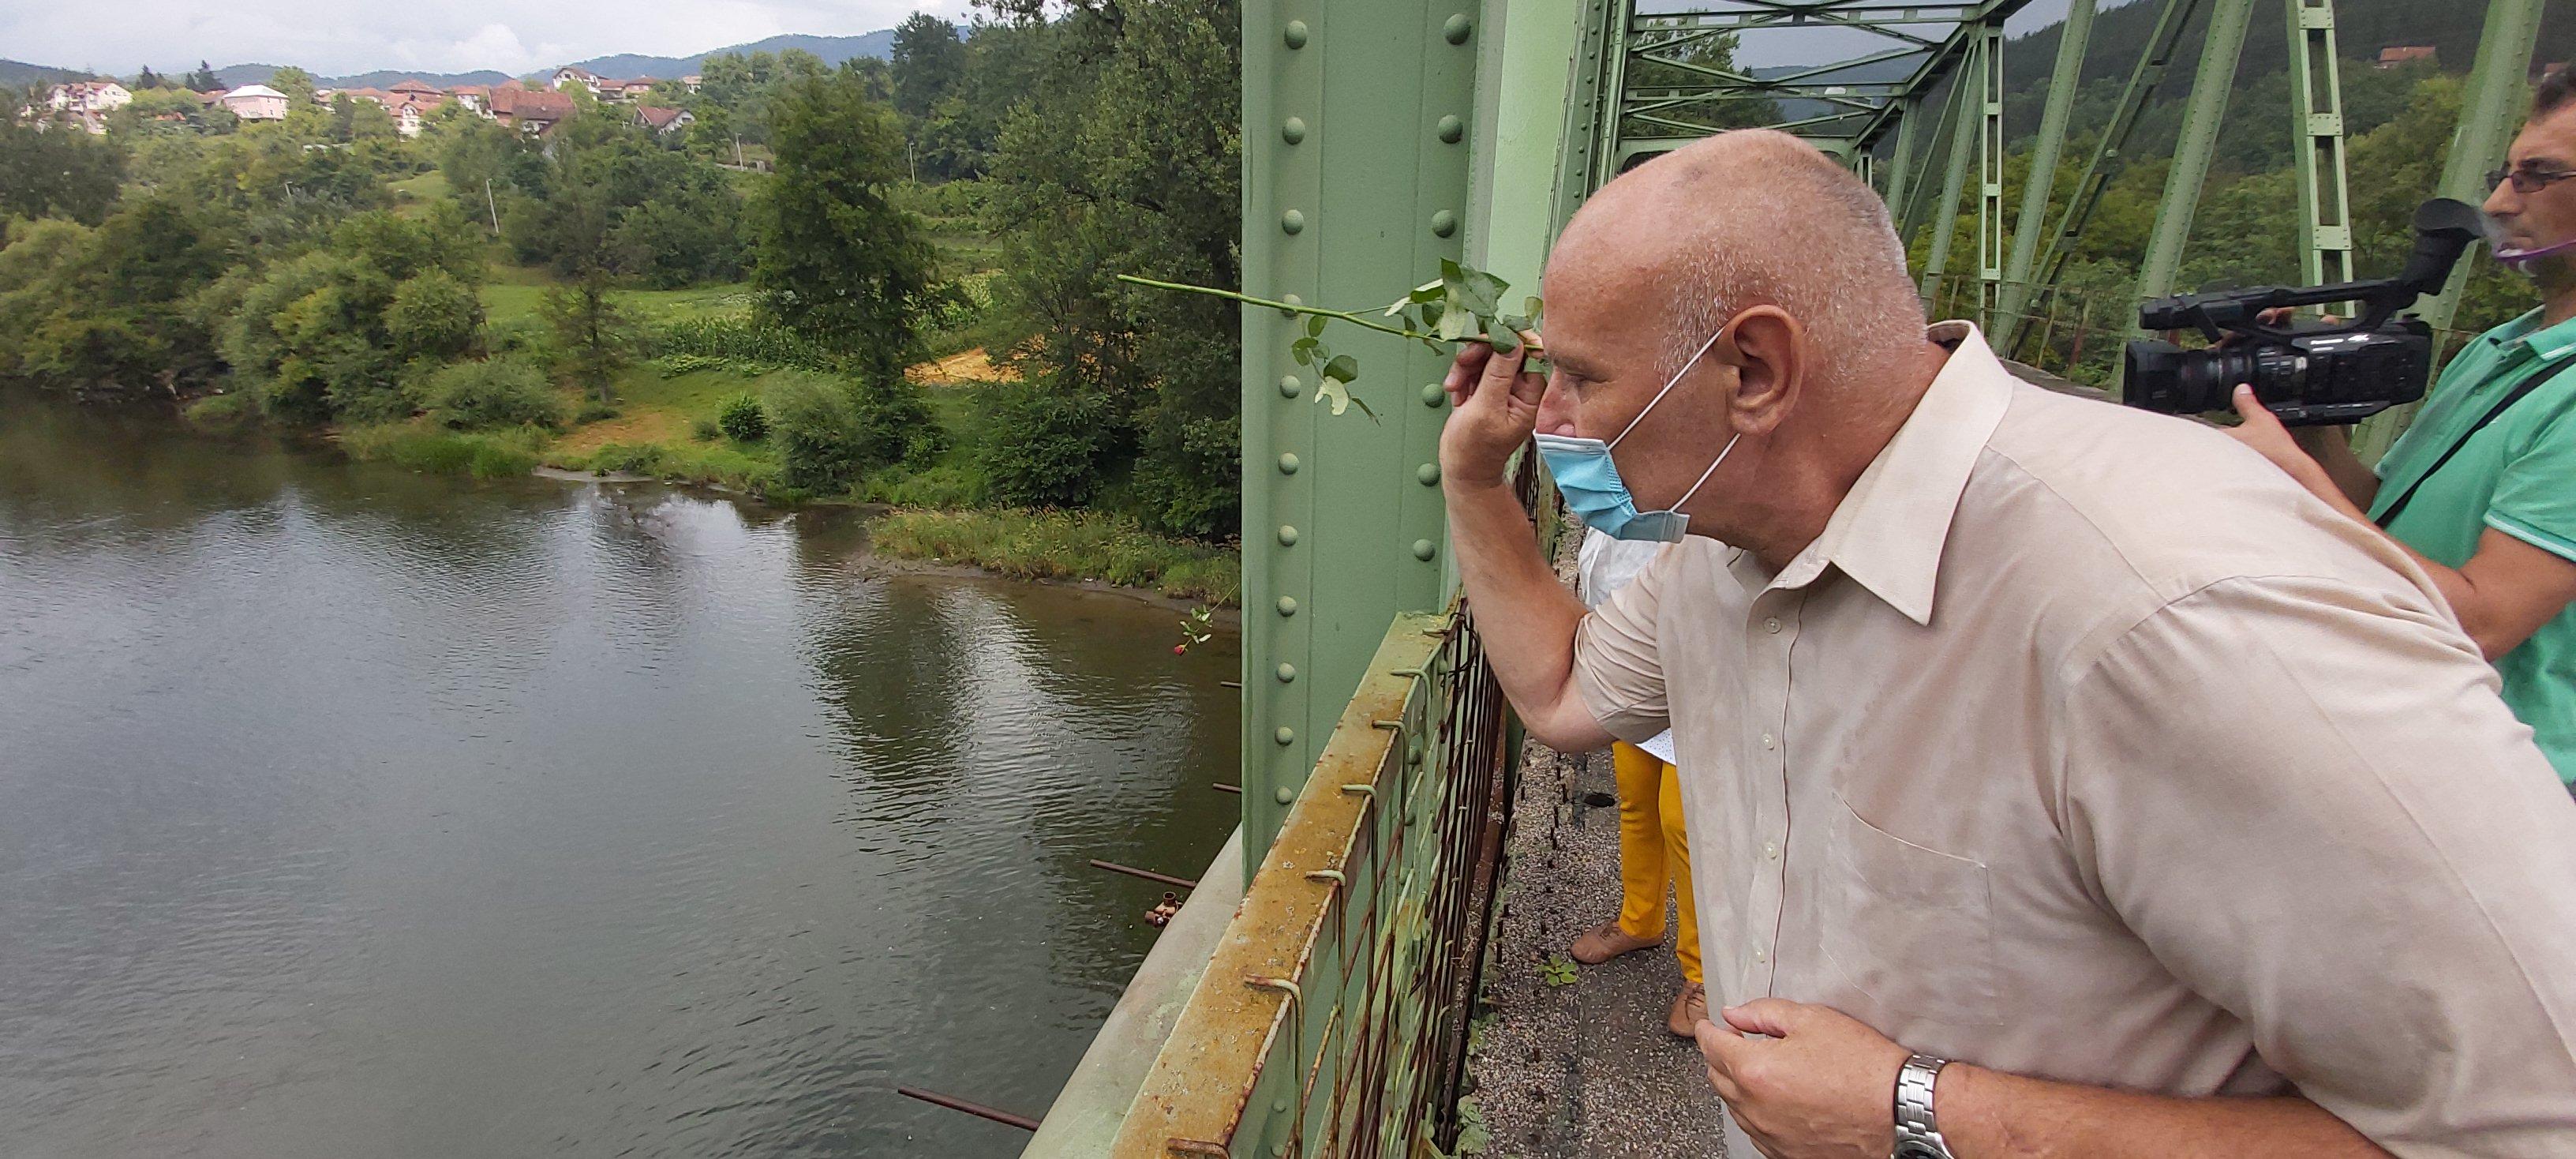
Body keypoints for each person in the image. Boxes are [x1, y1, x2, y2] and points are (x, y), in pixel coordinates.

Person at [1439, 129, 2576, 1158]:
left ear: (1755, 373)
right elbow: (1564, 690)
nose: (1556, 420)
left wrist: (1921, 1111)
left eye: (1583, 379)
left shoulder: (2175, 609)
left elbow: (2528, 1128)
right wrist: (1474, 483)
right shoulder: (1728, 550)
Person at [2227, 69, 2576, 790]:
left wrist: (2298, 484)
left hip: (2518, 787)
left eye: (2537, 177)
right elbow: (2393, 525)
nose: (2497, 203)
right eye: (2504, 173)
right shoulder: (2499, 348)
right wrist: (2309, 422)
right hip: (2415, 749)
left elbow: (2483, 622)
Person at [1569, 529, 1704, 1037]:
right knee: (1637, 799)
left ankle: (1707, 976)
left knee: (1685, 822)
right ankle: (1639, 920)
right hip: (1635, 657)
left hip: (1701, 655)